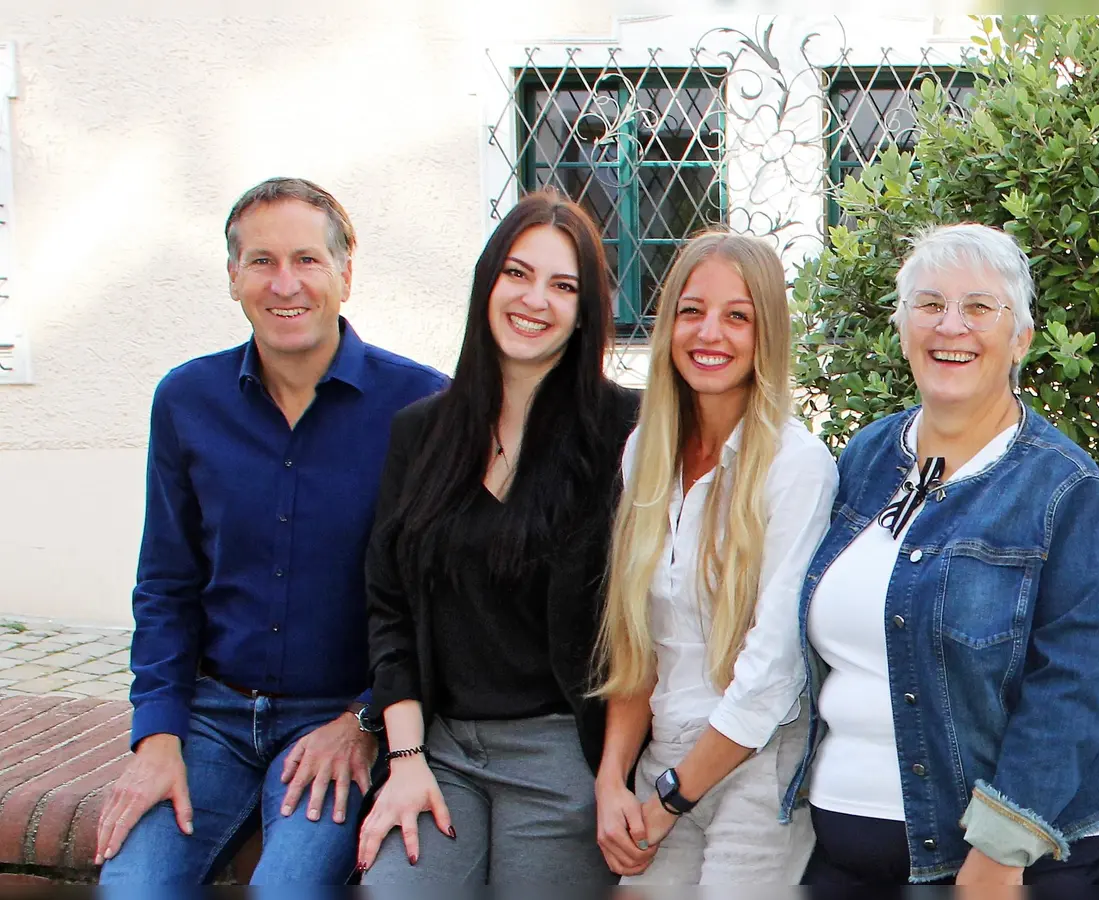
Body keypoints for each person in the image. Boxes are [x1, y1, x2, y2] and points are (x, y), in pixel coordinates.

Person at [97, 178, 447, 883]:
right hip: (212, 720)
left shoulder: (422, 403)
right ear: (233, 278)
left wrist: (365, 721)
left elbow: (438, 601)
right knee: (131, 885)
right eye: (261, 261)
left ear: (345, 274)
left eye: (307, 260)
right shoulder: (186, 400)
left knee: (288, 887)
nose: (285, 282)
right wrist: (156, 737)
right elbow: (165, 586)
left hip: (339, 718)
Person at [780, 223, 1099, 889]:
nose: (952, 326)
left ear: (1021, 339)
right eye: (929, 305)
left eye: (980, 308)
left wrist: (1002, 846)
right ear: (902, 327)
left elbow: (1075, 680)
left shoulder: (1060, 486)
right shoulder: (866, 458)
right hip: (846, 845)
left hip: (1002, 863)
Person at [356, 192, 638, 884]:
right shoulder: (420, 433)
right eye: (518, 273)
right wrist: (404, 757)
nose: (535, 300)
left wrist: (611, 777)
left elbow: (645, 622)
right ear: (489, 283)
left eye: (563, 285)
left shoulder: (625, 430)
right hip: (440, 752)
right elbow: (388, 605)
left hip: (562, 756)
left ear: (585, 313)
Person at [590, 231, 836, 884]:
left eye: (738, 316)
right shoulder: (645, 451)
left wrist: (670, 801)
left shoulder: (797, 465)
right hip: (662, 757)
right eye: (692, 311)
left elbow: (771, 668)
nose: (710, 334)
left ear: (767, 336)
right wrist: (612, 783)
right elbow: (638, 645)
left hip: (754, 764)